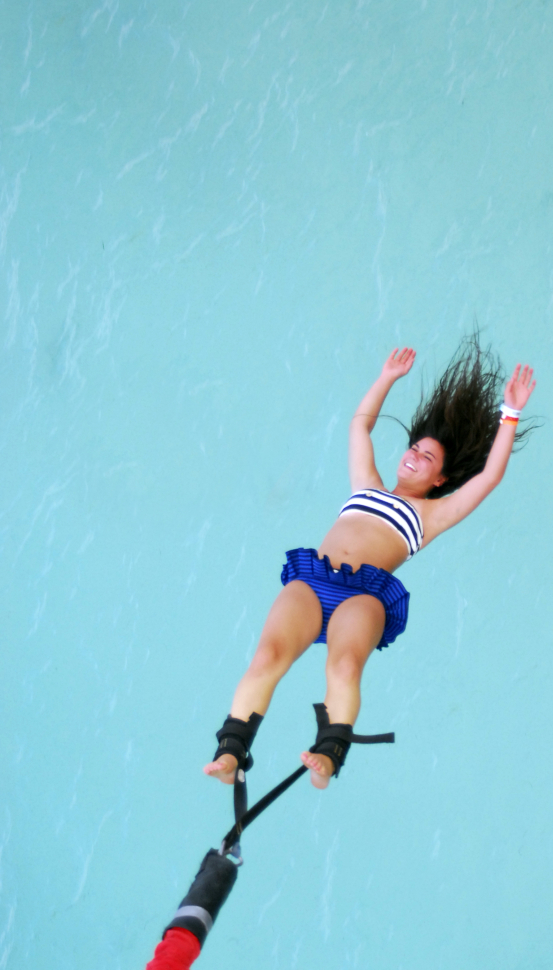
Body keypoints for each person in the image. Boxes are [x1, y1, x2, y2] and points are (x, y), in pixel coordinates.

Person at [204, 337, 535, 791]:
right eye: (414, 447)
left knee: (342, 668)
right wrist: (386, 378)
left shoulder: (431, 515)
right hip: (313, 582)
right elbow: (360, 428)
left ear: (439, 479)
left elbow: (489, 478)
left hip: (363, 598)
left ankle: (327, 756)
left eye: (426, 458)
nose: (413, 456)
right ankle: (231, 751)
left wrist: (510, 414)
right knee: (267, 656)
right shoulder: (367, 485)